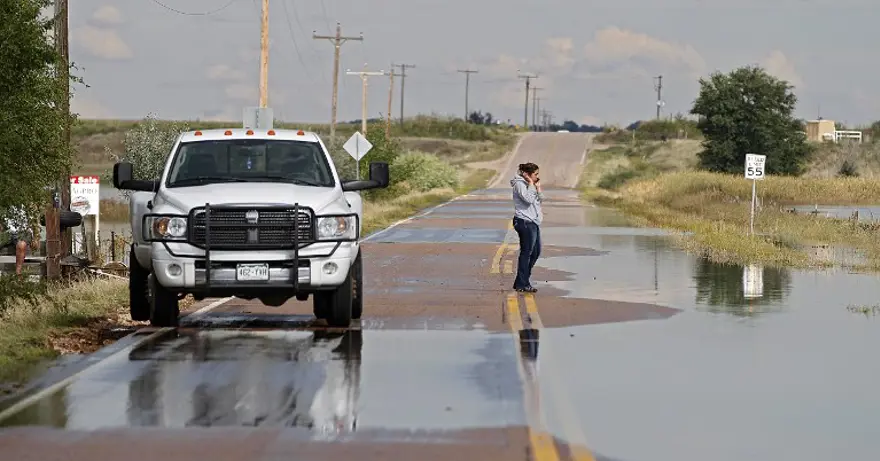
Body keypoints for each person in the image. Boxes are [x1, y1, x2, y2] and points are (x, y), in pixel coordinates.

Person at [510, 162, 543, 293]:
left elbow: (540, 200)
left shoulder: (532, 185)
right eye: (535, 175)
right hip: (524, 221)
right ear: (527, 175)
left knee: (535, 253)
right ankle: (522, 283)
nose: (537, 177)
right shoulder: (519, 184)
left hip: (533, 222)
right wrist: (530, 184)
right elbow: (528, 200)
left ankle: (521, 282)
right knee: (526, 253)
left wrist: (538, 188)